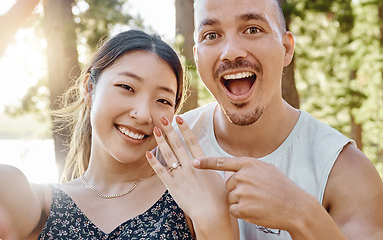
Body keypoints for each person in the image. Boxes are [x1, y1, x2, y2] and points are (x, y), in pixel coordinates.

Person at [158, 0, 383, 239]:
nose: (232, 51)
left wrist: (301, 213)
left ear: (286, 48)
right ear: (197, 55)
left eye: (253, 29)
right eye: (211, 35)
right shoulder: (165, 149)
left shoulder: (346, 170)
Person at [0, 29, 237, 240]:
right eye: (127, 87)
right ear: (89, 89)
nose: (142, 114)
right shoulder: (41, 204)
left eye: (162, 100)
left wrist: (212, 219)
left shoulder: (193, 195)